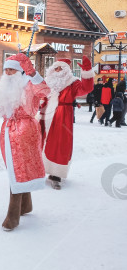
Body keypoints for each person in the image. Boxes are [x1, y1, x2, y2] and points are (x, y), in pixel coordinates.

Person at [0, 53, 50, 231]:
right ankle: (26, 204)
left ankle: (13, 216)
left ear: (21, 71)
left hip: (25, 130)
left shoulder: (30, 85)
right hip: (7, 131)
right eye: (6, 69)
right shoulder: (3, 87)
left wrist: (33, 73)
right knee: (17, 170)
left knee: (18, 171)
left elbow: (46, 91)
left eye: (12, 69)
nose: (8, 72)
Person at [38, 56, 94, 189]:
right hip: (46, 115)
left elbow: (86, 89)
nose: (57, 70)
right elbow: (39, 95)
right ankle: (41, 169)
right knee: (41, 142)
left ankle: (56, 174)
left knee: (60, 143)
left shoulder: (72, 83)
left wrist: (86, 71)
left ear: (66, 70)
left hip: (62, 116)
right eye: (55, 67)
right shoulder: (47, 81)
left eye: (60, 68)